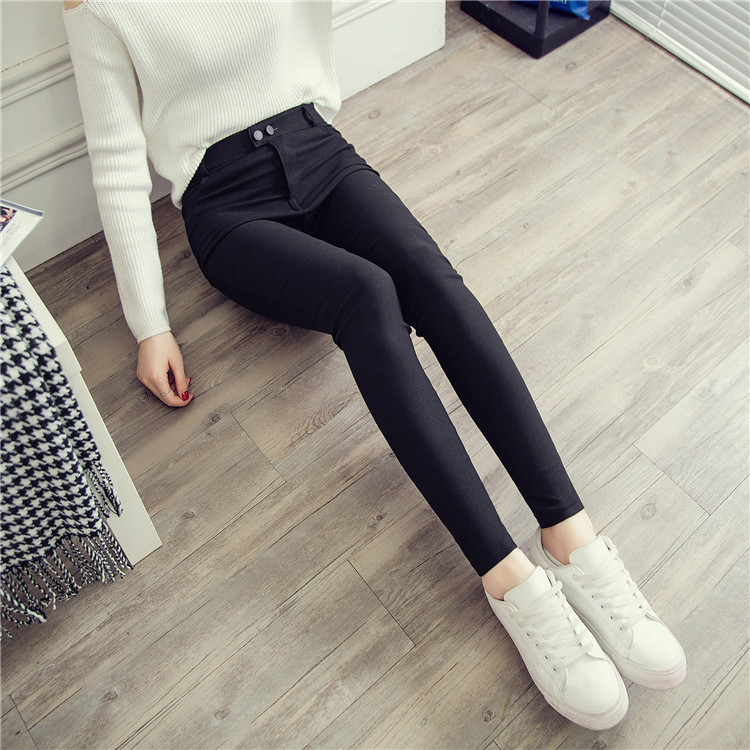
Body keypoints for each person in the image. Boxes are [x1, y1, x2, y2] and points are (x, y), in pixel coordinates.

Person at [62, 0, 685, 731]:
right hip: (224, 204)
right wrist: (150, 324)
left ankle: (570, 535)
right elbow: (114, 160)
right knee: (366, 294)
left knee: (429, 276)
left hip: (317, 149)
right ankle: (509, 580)